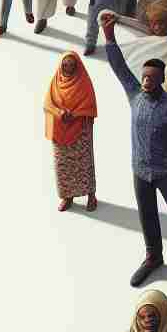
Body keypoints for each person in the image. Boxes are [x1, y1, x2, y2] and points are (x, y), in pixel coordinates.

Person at [101, 11, 167, 287]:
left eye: (152, 78)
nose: (146, 81)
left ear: (162, 79)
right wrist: (108, 36)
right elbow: (118, 66)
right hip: (140, 171)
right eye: (144, 77)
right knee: (147, 215)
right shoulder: (134, 95)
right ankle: (154, 257)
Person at [44, 50, 100, 212]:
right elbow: (47, 104)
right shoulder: (55, 82)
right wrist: (60, 112)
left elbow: (90, 106)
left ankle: (91, 195)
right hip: (60, 130)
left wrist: (75, 114)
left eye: (71, 65)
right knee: (63, 166)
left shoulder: (84, 82)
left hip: (80, 130)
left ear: (77, 66)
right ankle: (67, 196)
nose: (68, 68)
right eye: (65, 65)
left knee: (84, 164)